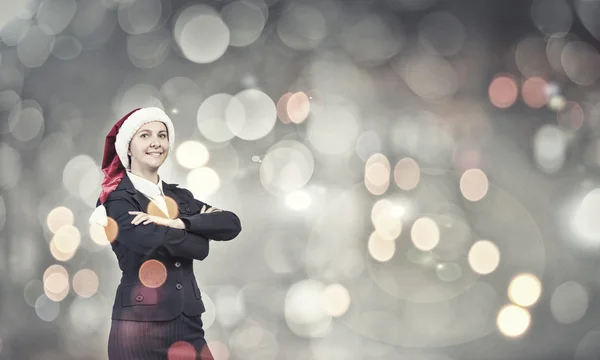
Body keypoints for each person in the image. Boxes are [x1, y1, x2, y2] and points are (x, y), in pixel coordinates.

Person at [88, 107, 242, 359]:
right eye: (145, 136)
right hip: (138, 328)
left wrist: (180, 223)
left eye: (162, 135)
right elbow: (150, 240)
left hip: (189, 322)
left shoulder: (180, 198)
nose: (156, 143)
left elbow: (230, 224)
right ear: (128, 147)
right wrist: (199, 236)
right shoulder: (117, 200)